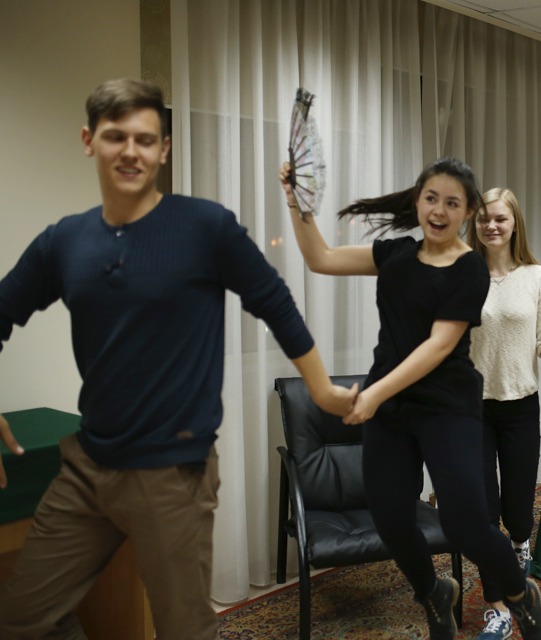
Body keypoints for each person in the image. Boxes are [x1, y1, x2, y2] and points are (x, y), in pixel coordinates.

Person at [0, 78, 356, 640]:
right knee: (23, 618)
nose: (131, 151)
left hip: (173, 475)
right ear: (89, 140)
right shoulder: (63, 242)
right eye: (116, 137)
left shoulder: (204, 227)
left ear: (164, 149)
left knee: (184, 631)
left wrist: (322, 389)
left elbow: (274, 302)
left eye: (145, 139)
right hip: (89, 468)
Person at [280, 158, 541, 640]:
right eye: (431, 198)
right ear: (418, 200)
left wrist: (372, 393)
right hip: (392, 410)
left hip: (448, 407)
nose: (439, 210)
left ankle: (518, 592)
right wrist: (297, 206)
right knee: (390, 517)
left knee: (465, 523)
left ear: (467, 211)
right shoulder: (396, 255)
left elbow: (439, 345)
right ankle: (433, 592)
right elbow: (320, 258)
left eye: (452, 202)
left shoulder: (470, 268)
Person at [466, 187, 541, 640]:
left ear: (515, 223)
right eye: (483, 219)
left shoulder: (537, 276)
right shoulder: (461, 274)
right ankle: (497, 609)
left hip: (519, 408)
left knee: (516, 511)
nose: (491, 225)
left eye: (500, 218)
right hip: (469, 410)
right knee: (482, 512)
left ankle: (520, 544)